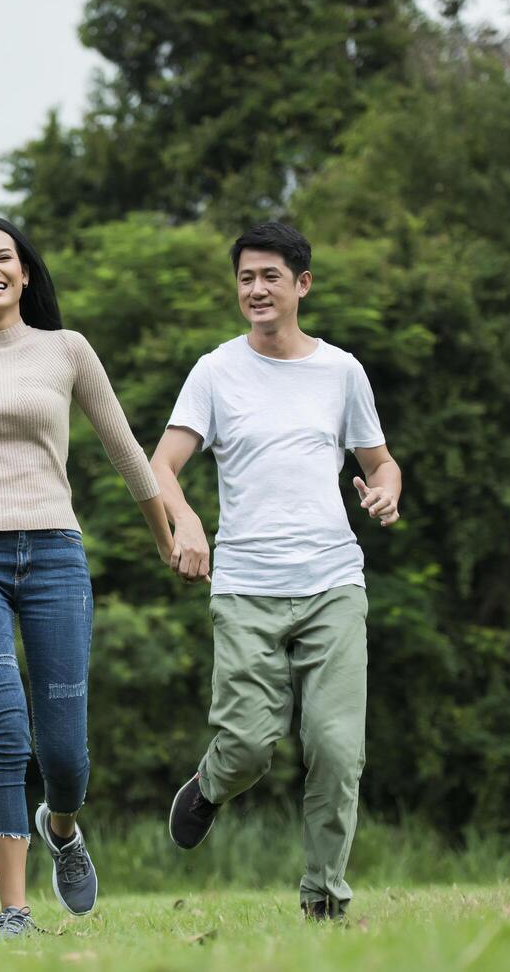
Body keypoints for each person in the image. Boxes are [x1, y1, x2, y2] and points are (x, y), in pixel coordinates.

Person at [0, 217, 175, 938]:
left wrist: (164, 539)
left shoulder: (66, 350)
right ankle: (13, 911)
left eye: (3, 258)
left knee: (64, 758)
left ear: (23, 274)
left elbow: (125, 451)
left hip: (54, 554)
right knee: (5, 731)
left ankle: (63, 825)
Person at [151, 221, 402, 921]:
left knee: (334, 747)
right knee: (250, 745)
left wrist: (385, 489)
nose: (255, 289)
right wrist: (187, 520)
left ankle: (323, 897)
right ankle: (208, 785)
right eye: (244, 278)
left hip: (331, 582)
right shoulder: (215, 371)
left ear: (301, 284)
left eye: (268, 276)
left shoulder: (340, 371)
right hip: (246, 588)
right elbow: (160, 465)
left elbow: (378, 460)